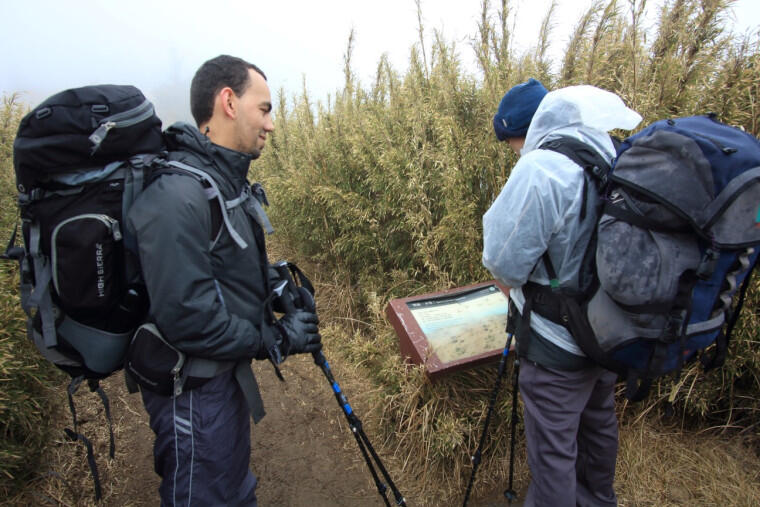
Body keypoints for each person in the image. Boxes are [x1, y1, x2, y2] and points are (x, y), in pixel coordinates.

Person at [127, 55, 322, 506]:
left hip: (217, 382)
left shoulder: (221, 182)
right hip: (191, 393)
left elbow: (222, 266)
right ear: (229, 101)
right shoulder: (180, 193)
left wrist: (276, 291)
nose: (271, 124)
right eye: (265, 108)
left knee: (232, 490)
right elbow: (188, 315)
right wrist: (272, 338)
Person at [482, 79, 642, 506]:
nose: (515, 150)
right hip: (607, 332)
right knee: (598, 427)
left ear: (521, 131)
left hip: (556, 346)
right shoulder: (609, 150)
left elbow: (502, 264)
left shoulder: (541, 169)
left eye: (511, 141)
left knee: (554, 454)